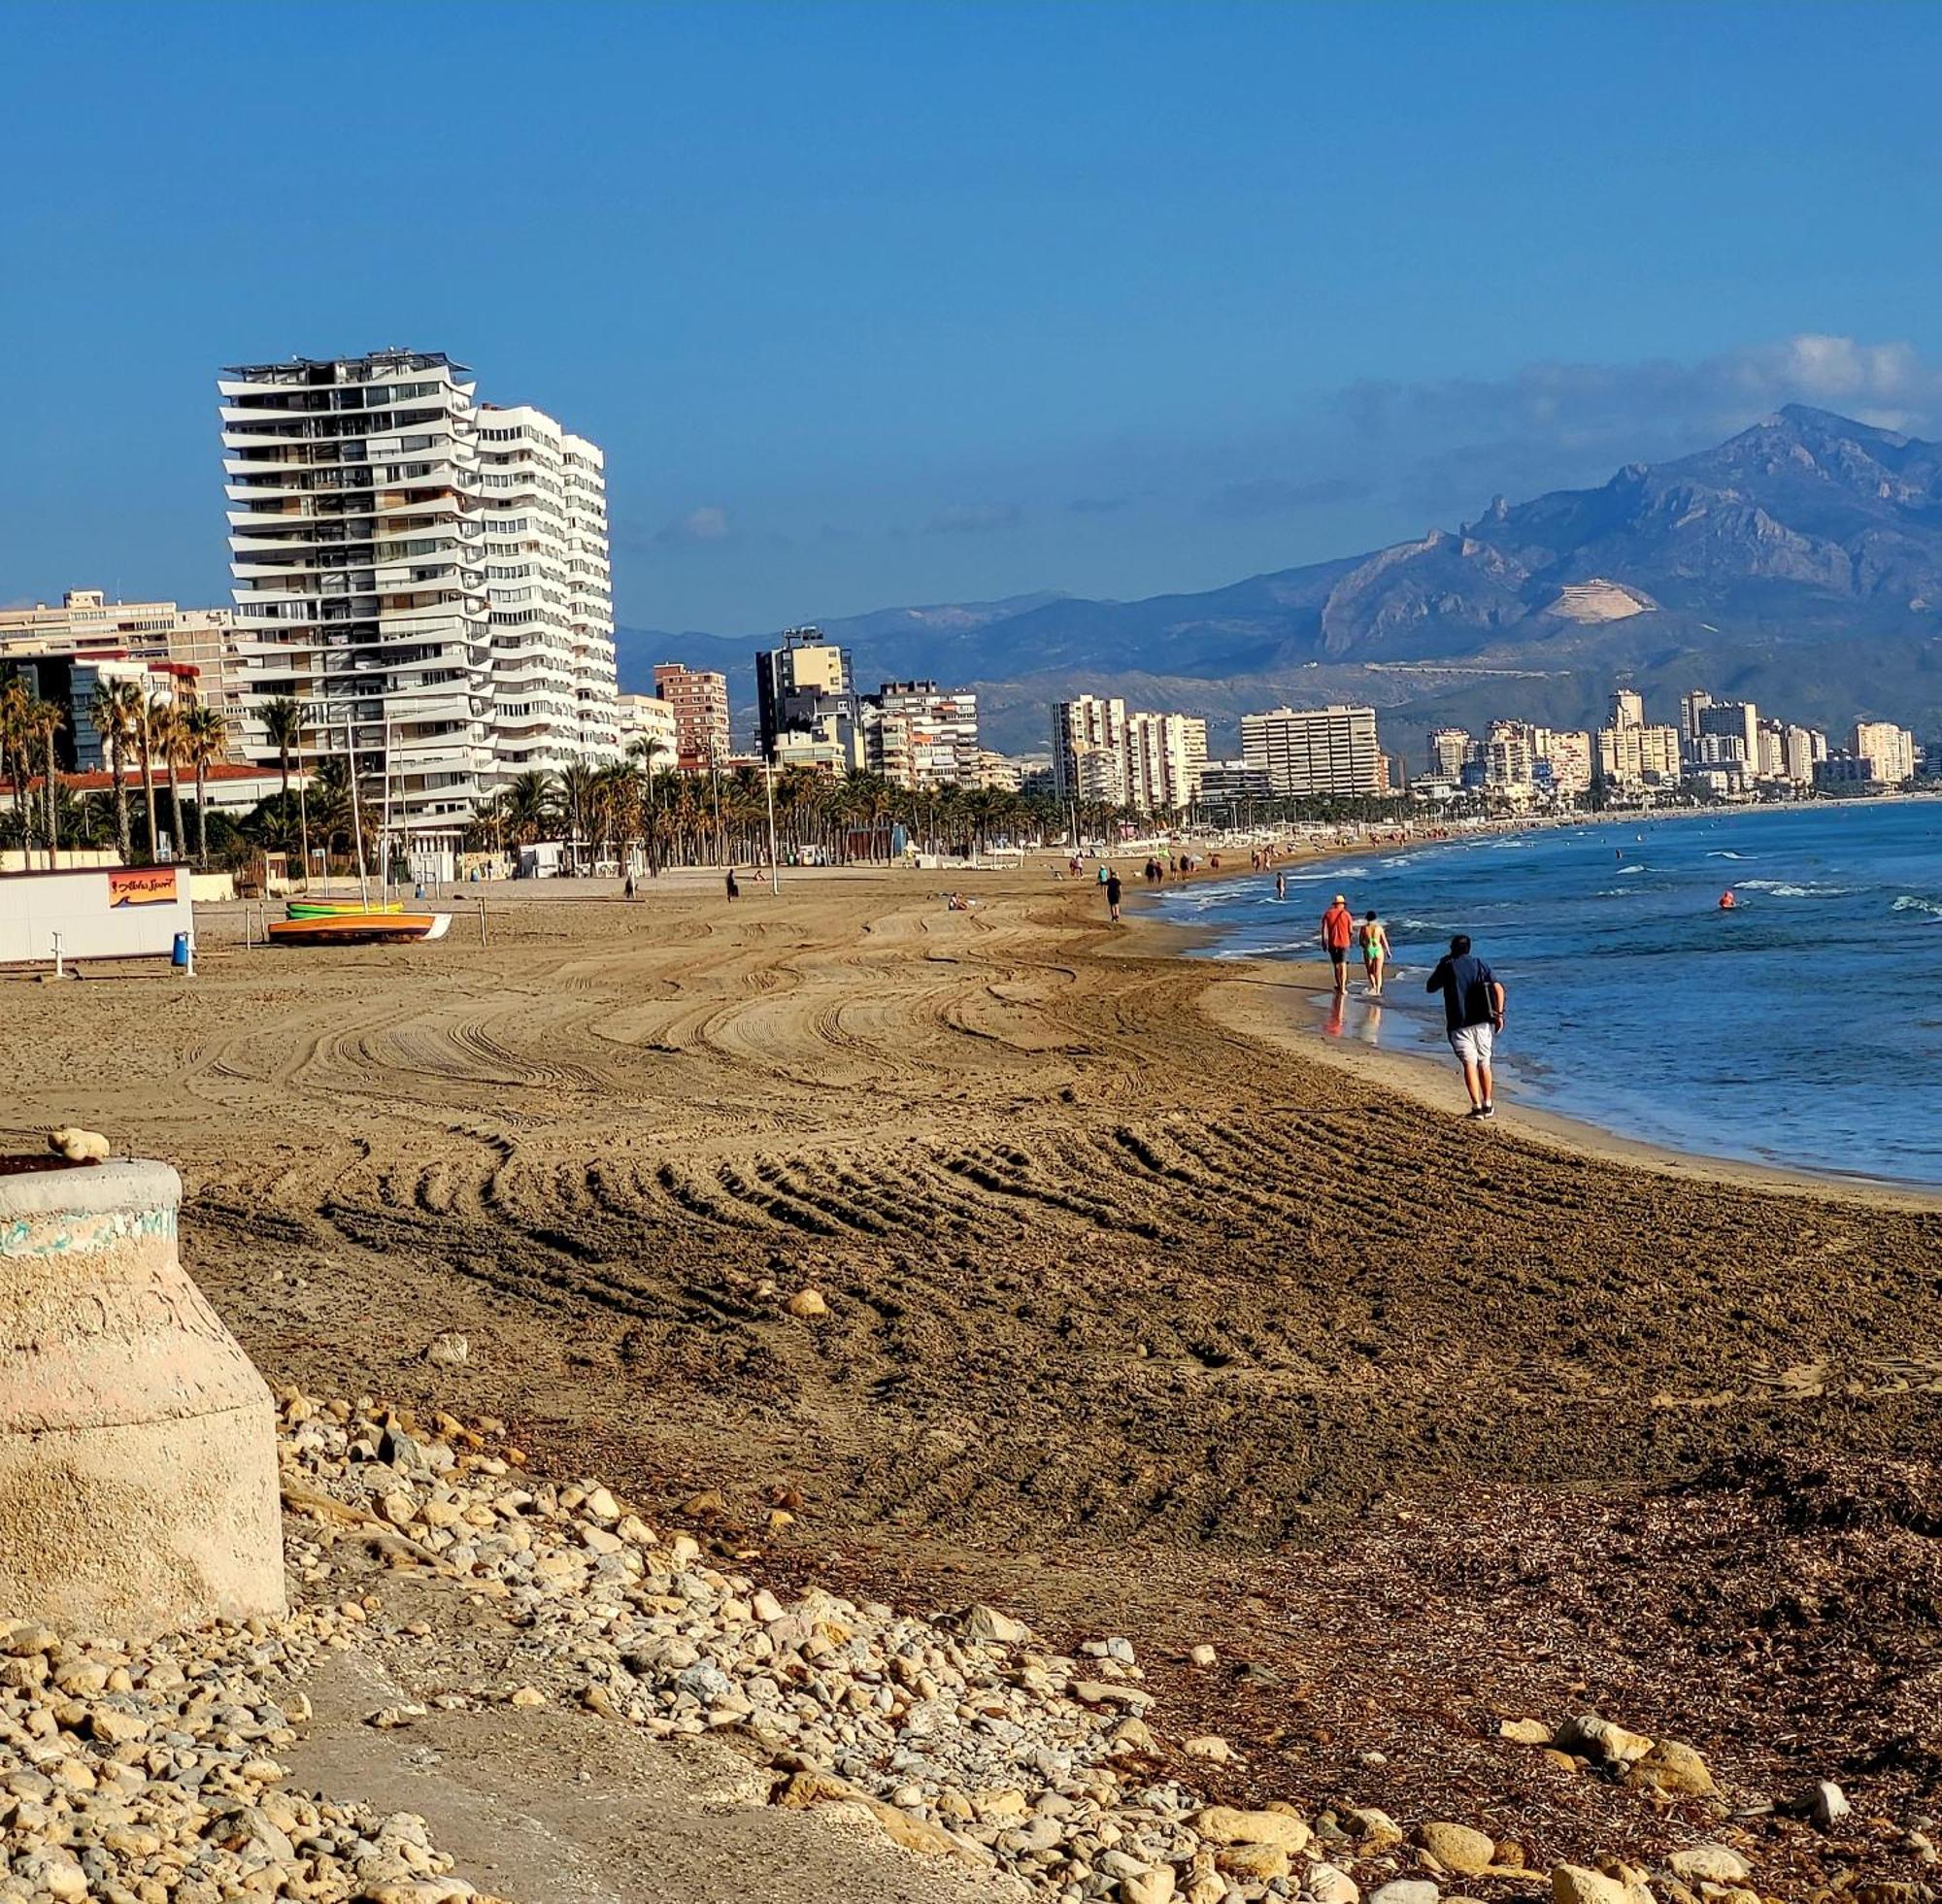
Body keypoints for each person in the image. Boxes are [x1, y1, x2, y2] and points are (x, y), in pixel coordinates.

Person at [1426, 932, 1506, 1119]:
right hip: (1483, 1020)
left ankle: (1476, 1107)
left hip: (1459, 1022)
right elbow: (1498, 987)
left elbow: (1430, 987)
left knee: (1469, 1063)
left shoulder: (1448, 966)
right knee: (1484, 1062)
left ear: (1453, 949)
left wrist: (1442, 964)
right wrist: (1499, 1014)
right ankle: (1488, 1104)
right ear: (1469, 948)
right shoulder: (1479, 964)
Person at [1320, 893, 1356, 995]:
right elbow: (1350, 931)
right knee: (1343, 965)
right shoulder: (1347, 914)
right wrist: (1349, 938)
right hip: (1344, 943)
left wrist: (1323, 941)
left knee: (1336, 965)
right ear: (1341, 904)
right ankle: (1343, 987)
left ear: (1335, 904)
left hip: (1332, 943)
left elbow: (1324, 930)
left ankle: (1339, 985)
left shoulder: (1328, 914)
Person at [1358, 910, 1390, 997]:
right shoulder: (1379, 928)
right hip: (1378, 949)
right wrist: (1388, 951)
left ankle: (1374, 987)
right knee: (1378, 972)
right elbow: (1384, 940)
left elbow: (1361, 941)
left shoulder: (1364, 928)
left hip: (1369, 948)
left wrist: (1365, 947)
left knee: (1370, 971)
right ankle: (1378, 990)